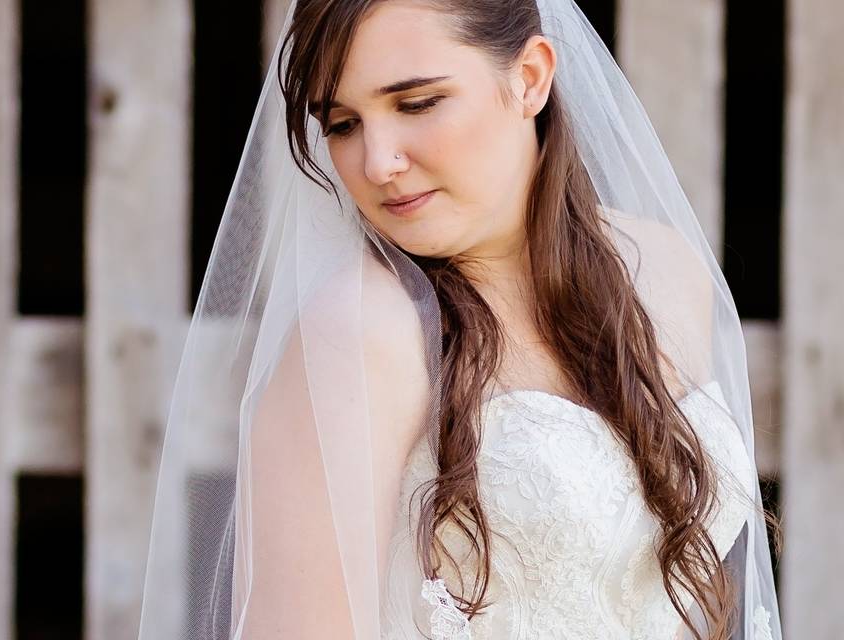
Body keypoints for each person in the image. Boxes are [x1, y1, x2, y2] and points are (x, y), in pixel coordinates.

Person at [138, 0, 783, 638]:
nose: (376, 162)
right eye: (341, 123)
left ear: (529, 78)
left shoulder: (665, 273)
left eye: (416, 104)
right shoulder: (359, 333)